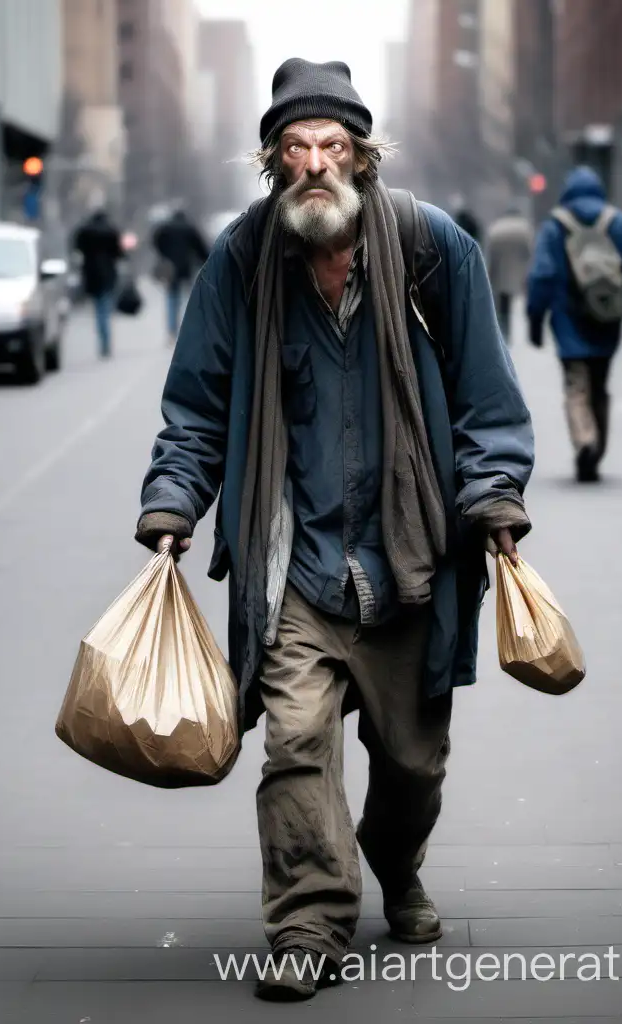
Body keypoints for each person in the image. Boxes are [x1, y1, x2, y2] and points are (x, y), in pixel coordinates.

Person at [133, 58, 535, 1001]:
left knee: (411, 765)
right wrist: (170, 506)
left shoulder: (434, 248)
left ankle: (395, 864)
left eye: (334, 146)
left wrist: (495, 499)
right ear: (273, 161)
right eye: (297, 147)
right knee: (295, 745)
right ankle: (309, 923)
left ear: (362, 156)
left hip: (409, 560)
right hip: (296, 565)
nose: (316, 163)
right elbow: (196, 406)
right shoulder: (241, 261)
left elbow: (487, 398)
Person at [526, 166, 622, 483]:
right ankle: (596, 454)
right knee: (600, 387)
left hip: (568, 321)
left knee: (576, 387)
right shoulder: (618, 222)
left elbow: (542, 274)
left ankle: (584, 440)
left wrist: (535, 319)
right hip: (607, 320)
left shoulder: (556, 225)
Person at [151, 205, 210, 344]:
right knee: (186, 300)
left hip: (170, 269)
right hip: (185, 268)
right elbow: (200, 247)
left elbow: (155, 240)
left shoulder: (165, 228)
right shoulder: (189, 228)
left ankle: (172, 332)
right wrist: (206, 261)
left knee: (172, 299)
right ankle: (187, 330)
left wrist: (163, 254)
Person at [73, 208, 123, 358]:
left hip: (92, 274)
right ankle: (105, 342)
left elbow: (77, 247)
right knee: (105, 307)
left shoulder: (85, 231)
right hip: (108, 273)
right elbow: (119, 253)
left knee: (99, 308)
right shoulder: (111, 231)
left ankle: (103, 340)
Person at [486, 204, 534, 344]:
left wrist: (490, 274)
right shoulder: (525, 228)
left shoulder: (496, 228)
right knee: (528, 302)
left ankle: (506, 332)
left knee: (504, 305)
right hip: (521, 271)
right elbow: (529, 252)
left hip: (502, 272)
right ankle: (529, 333)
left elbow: (491, 255)